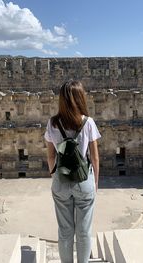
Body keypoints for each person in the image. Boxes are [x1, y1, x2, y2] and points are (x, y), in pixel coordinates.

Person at [44, 80, 101, 263]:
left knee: (65, 231)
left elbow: (51, 156)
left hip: (61, 180)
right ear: (80, 97)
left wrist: (56, 178)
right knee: (84, 231)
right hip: (84, 181)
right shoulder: (88, 122)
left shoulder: (52, 123)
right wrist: (95, 183)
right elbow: (94, 157)